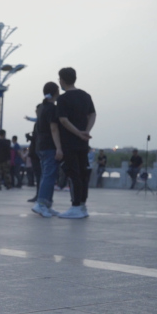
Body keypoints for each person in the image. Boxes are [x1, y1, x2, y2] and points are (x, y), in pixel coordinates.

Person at [56, 67, 96, 219]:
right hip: (83, 143)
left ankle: (75, 206)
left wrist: (79, 133)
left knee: (73, 174)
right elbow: (92, 114)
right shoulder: (86, 96)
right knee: (83, 173)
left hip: (70, 142)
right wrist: (86, 131)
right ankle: (83, 205)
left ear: (63, 80)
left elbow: (63, 120)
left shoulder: (63, 99)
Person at [32, 83, 63, 218]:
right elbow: (54, 129)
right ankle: (41, 204)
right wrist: (59, 148)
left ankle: (47, 205)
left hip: (41, 146)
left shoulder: (42, 107)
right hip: (49, 146)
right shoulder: (51, 109)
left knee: (47, 175)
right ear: (56, 92)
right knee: (49, 176)